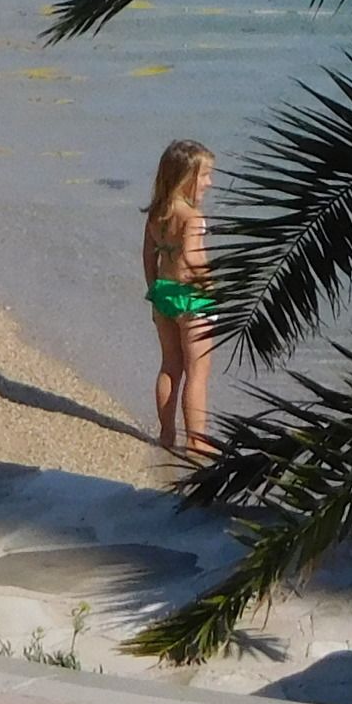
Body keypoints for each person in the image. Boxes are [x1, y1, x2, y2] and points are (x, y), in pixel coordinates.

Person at [141, 139, 217, 464]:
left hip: (163, 293)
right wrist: (210, 288)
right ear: (186, 178)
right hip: (191, 297)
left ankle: (167, 433)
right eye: (204, 176)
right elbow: (191, 257)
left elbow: (148, 255)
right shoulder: (193, 217)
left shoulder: (157, 213)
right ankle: (197, 441)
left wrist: (154, 288)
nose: (209, 183)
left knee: (170, 365)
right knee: (198, 371)